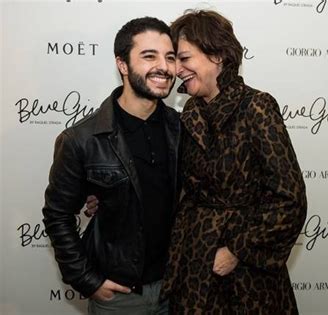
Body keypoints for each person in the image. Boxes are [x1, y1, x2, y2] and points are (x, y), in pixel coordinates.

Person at [160, 9, 307, 314]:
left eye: (184, 58)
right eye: (176, 60)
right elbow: (172, 183)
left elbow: (290, 200)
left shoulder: (256, 107)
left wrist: (238, 250)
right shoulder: (188, 114)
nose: (177, 70)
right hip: (194, 268)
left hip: (247, 278)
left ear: (217, 56)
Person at [42, 16, 180, 314]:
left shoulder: (183, 129)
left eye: (170, 57)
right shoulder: (83, 138)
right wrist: (87, 280)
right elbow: (58, 215)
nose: (164, 67)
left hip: (178, 290)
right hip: (119, 298)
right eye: (149, 56)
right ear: (122, 64)